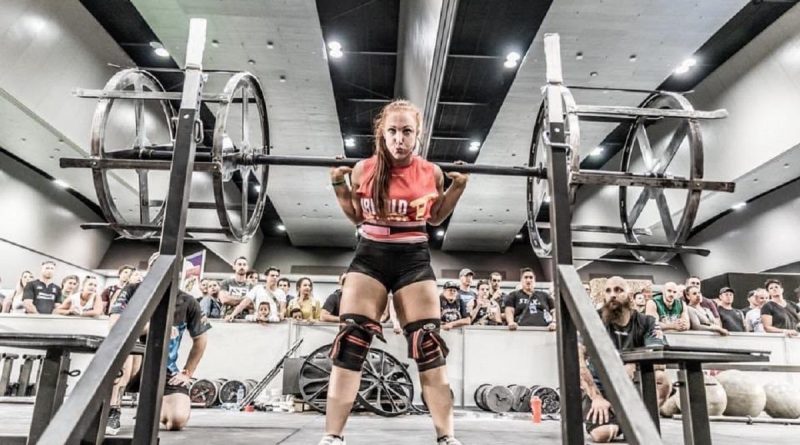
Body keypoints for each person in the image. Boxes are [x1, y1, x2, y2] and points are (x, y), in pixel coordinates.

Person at [323, 99, 468, 445]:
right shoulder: (362, 169)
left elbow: (434, 218)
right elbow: (357, 216)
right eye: (393, 131)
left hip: (413, 257)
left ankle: (447, 437)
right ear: (382, 134)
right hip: (370, 255)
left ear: (417, 135)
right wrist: (338, 186)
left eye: (407, 132)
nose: (399, 139)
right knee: (352, 342)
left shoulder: (430, 172)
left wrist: (457, 189)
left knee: (428, 345)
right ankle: (332, 437)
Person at [106, 253, 210, 435]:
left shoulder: (188, 301)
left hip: (164, 368)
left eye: (169, 266)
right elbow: (116, 325)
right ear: (150, 269)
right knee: (128, 350)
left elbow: (201, 339)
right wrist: (156, 328)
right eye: (157, 265)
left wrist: (187, 372)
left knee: (176, 420)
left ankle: (151, 405)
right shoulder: (132, 290)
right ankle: (113, 410)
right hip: (133, 365)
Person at [579, 276, 669, 443]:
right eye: (608, 291)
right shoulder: (593, 320)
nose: (613, 294)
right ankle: (629, 422)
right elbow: (579, 359)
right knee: (602, 435)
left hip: (633, 387)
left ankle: (634, 419)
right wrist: (596, 397)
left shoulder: (647, 322)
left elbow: (659, 357)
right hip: (601, 388)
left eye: (619, 290)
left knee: (662, 380)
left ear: (630, 295)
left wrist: (634, 363)